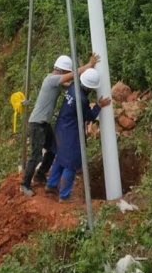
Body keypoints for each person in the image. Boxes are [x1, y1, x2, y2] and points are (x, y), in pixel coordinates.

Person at [20, 53, 99, 196]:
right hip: (37, 124)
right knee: (36, 156)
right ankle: (25, 184)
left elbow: (71, 86)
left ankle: (40, 175)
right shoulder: (51, 80)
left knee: (53, 149)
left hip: (44, 124)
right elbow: (73, 76)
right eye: (66, 72)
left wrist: (83, 84)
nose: (67, 75)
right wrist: (89, 65)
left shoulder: (56, 83)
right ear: (61, 70)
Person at [46, 68, 111, 203]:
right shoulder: (81, 99)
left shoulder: (73, 86)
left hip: (61, 127)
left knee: (60, 157)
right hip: (71, 132)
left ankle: (51, 185)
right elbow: (88, 115)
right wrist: (98, 106)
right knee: (71, 163)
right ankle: (64, 196)